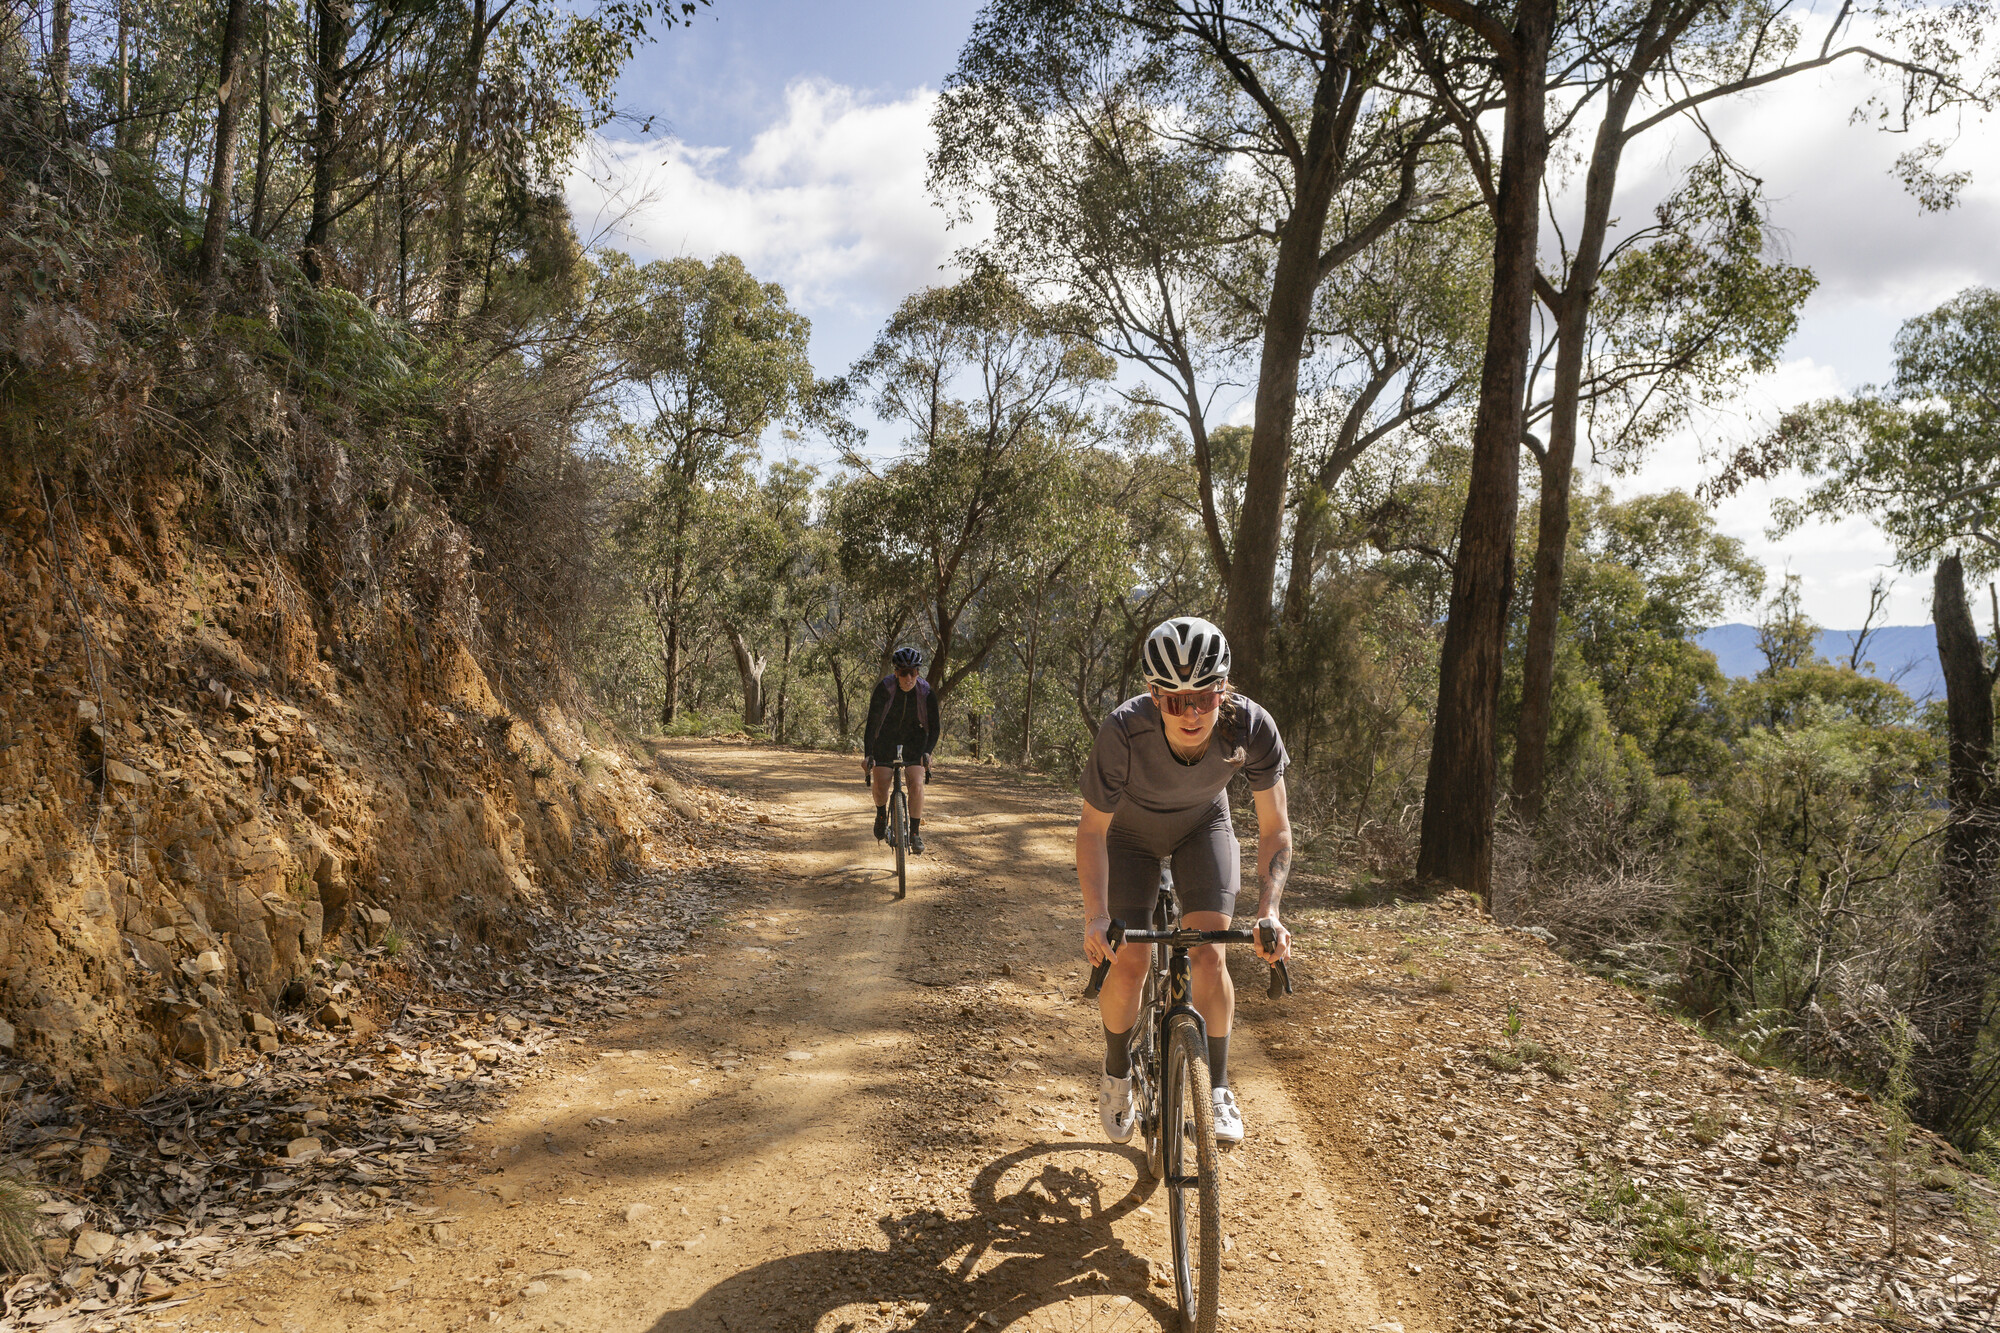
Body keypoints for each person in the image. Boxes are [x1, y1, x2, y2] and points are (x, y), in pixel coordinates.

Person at [1077, 616, 1293, 1146]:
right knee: (1127, 963)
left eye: (1204, 695)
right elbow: (1091, 832)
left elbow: (1275, 830)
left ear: (1224, 688)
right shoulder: (1123, 732)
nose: (1191, 712)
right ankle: (1116, 1071)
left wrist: (1269, 910)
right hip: (1128, 836)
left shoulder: (1250, 728)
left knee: (1210, 954)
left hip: (1203, 826)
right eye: (1174, 701)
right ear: (1153, 696)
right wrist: (1097, 916)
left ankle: (1216, 1088)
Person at [864, 646, 941, 853]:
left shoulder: (926, 693)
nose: (909, 677)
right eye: (904, 672)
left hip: (916, 740)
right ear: (896, 672)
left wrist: (928, 752)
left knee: (916, 783)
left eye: (913, 672)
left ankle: (915, 833)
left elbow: (935, 728)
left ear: (918, 672)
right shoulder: (884, 689)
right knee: (881, 781)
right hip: (885, 739)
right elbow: (871, 724)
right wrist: (868, 754)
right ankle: (881, 814)